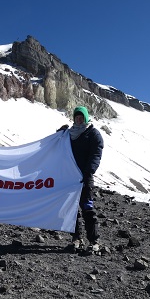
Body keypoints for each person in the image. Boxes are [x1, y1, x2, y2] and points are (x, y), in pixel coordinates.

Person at [59, 106, 104, 253]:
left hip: (84, 178)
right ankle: (76, 238)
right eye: (76, 117)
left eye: (81, 117)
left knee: (87, 208)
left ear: (85, 118)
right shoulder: (69, 134)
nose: (79, 119)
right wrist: (59, 134)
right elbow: (58, 146)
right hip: (70, 177)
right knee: (72, 210)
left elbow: (95, 155)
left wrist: (88, 173)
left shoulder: (93, 134)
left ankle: (94, 241)